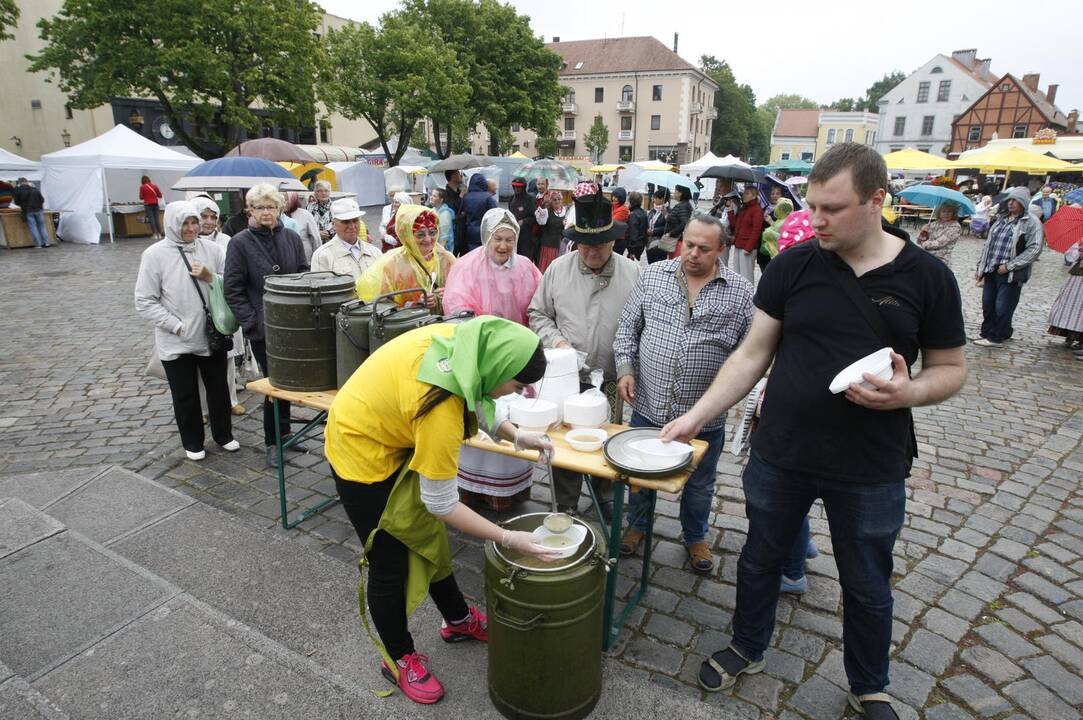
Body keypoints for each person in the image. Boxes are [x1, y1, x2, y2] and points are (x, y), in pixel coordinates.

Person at [663, 144, 967, 718]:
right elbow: (753, 354)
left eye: (833, 208)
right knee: (759, 558)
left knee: (868, 579)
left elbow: (950, 369)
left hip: (871, 462)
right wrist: (699, 414)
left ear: (877, 200)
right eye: (814, 206)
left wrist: (910, 392)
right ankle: (746, 646)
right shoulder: (794, 265)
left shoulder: (928, 278)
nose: (816, 220)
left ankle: (869, 685)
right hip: (782, 451)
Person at [325, 317, 555, 704]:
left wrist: (516, 434)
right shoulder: (439, 407)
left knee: (429, 537)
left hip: (394, 434)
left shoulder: (466, 345)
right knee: (391, 562)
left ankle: (458, 619)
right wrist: (507, 537)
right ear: (498, 367)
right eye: (516, 385)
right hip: (359, 450)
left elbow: (478, 391)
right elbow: (442, 503)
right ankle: (398, 658)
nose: (511, 393)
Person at [614, 214, 753, 573]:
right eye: (688, 244)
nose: (692, 253)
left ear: (722, 249)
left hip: (704, 416)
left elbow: (748, 354)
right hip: (648, 404)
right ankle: (637, 526)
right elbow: (628, 327)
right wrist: (626, 370)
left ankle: (695, 537)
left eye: (703, 249)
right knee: (641, 476)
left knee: (700, 483)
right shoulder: (654, 276)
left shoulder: (741, 292)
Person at [528, 182, 641, 518]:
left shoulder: (633, 273)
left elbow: (640, 326)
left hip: (609, 378)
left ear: (613, 240)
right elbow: (538, 314)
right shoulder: (558, 270)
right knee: (563, 443)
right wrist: (557, 343)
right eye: (585, 245)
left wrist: (628, 368)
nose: (592, 252)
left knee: (604, 438)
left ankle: (605, 494)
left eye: (600, 245)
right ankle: (565, 502)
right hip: (566, 375)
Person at [443, 209, 543, 509]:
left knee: (511, 416)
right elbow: (456, 310)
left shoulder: (525, 266)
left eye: (510, 240)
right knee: (480, 416)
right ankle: (473, 490)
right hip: (481, 357)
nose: (503, 246)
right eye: (498, 239)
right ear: (487, 237)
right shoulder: (466, 266)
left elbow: (538, 304)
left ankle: (508, 494)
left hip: (516, 358)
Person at [135, 201, 239, 461]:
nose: (192, 228)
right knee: (185, 394)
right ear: (172, 224)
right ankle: (193, 441)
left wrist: (210, 277)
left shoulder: (212, 250)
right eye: (185, 223)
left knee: (218, 389)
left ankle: (223, 434)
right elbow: (144, 300)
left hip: (210, 333)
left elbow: (232, 283)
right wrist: (175, 325)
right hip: (176, 338)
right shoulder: (155, 255)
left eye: (194, 222)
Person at [223, 183, 310, 468]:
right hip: (263, 329)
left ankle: (285, 432)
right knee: (275, 384)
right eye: (259, 207)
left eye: (270, 206)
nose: (265, 212)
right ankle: (272, 442)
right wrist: (251, 321)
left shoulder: (292, 238)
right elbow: (233, 289)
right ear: (250, 210)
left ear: (280, 209)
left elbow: (302, 274)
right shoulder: (240, 242)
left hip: (293, 326)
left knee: (288, 382)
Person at [191, 196, 245, 418]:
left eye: (213, 216)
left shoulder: (226, 241)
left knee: (227, 357)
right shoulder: (186, 243)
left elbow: (233, 274)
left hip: (223, 307)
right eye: (203, 216)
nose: (209, 221)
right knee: (199, 360)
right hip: (198, 307)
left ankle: (230, 399)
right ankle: (203, 408)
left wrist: (211, 277)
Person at [974, 186, 1044, 347]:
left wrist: (1011, 265)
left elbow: (1034, 249)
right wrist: (981, 267)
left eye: (1015, 200)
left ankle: (996, 336)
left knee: (1003, 306)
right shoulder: (1002, 219)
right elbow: (989, 245)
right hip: (991, 268)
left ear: (1023, 203)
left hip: (1010, 272)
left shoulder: (1031, 222)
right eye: (1009, 200)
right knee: (988, 303)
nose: (1011, 203)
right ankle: (988, 332)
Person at [357, 204, 456, 311]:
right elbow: (383, 307)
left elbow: (464, 290)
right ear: (407, 236)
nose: (428, 239)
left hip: (446, 324)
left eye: (433, 232)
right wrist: (414, 305)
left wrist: (451, 293)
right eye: (420, 235)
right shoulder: (393, 264)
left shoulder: (446, 259)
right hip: (413, 326)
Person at [310, 197, 381, 279]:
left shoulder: (375, 252)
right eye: (345, 221)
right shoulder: (322, 256)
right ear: (333, 224)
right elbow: (321, 289)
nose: (352, 226)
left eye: (355, 220)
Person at [1048, 234, 1083, 355]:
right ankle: (1070, 335)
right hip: (1077, 275)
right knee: (1070, 305)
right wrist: (1079, 251)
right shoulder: (1080, 239)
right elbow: (1070, 256)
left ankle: (1080, 339)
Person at [729, 185, 764, 284]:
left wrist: (749, 247)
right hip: (739, 244)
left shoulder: (757, 210)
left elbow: (756, 230)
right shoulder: (744, 208)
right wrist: (730, 211)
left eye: (747, 193)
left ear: (754, 196)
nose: (744, 195)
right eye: (744, 193)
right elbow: (736, 225)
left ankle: (748, 297)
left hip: (748, 247)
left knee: (746, 275)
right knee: (737, 274)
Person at [457, 173, 496, 255]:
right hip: (484, 232)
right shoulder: (488, 197)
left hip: (469, 232)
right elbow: (495, 215)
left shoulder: (466, 197)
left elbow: (461, 217)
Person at [535, 188, 566, 273]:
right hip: (547, 245)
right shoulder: (546, 211)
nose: (557, 201)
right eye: (554, 199)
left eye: (559, 199)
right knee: (546, 268)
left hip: (559, 244)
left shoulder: (565, 211)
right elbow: (541, 222)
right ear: (551, 201)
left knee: (557, 268)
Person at [284, 191, 322, 261]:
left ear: (293, 199)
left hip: (306, 258)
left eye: (286, 200)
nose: (283, 203)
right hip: (286, 259)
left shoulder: (305, 214)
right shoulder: (279, 215)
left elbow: (316, 238)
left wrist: (318, 257)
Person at [507, 177, 537, 263]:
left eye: (519, 187)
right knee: (514, 258)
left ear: (524, 187)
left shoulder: (530, 199)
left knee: (525, 259)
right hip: (514, 234)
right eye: (515, 187)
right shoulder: (511, 198)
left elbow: (534, 217)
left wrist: (523, 221)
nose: (517, 189)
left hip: (526, 236)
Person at [13, 178, 47, 249]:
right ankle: (46, 243)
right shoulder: (35, 189)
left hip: (28, 211)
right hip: (38, 210)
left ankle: (38, 244)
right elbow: (42, 200)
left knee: (33, 228)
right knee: (42, 226)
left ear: (19, 183)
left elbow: (16, 202)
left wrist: (23, 204)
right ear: (27, 182)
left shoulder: (18, 191)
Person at [664, 185, 694, 258]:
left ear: (680, 193)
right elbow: (676, 216)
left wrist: (671, 233)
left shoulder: (683, 206)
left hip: (678, 241)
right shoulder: (681, 204)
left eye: (675, 191)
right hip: (675, 240)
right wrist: (667, 210)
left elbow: (684, 223)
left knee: (675, 263)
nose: (674, 193)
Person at [645, 189, 669, 264]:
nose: (653, 200)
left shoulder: (668, 211)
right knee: (650, 264)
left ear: (662, 199)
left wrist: (654, 231)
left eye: (655, 198)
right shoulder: (653, 210)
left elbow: (668, 227)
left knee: (659, 264)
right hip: (649, 242)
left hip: (660, 244)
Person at [430, 188, 456, 253]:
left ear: (441, 200)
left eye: (434, 196)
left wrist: (438, 251)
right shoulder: (432, 210)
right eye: (431, 195)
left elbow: (444, 237)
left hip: (442, 250)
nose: (431, 197)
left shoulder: (445, 214)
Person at [139, 175, 164, 240]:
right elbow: (160, 195)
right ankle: (160, 234)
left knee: (151, 219)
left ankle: (155, 234)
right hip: (155, 204)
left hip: (148, 205)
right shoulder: (155, 186)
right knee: (157, 219)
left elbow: (141, 197)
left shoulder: (142, 187)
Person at [625, 191, 648, 261]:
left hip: (635, 246)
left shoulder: (633, 215)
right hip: (641, 244)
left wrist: (631, 250)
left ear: (631, 202)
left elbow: (633, 233)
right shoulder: (643, 212)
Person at [610, 187, 630, 256]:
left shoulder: (623, 210)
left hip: (619, 240)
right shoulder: (613, 207)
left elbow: (611, 222)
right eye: (613, 196)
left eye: (616, 197)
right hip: (613, 239)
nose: (614, 198)